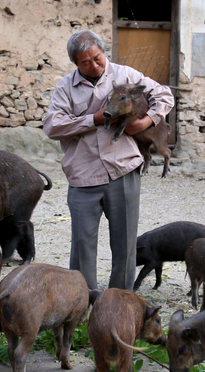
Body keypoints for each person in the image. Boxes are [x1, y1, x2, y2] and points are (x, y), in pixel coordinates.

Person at [42, 30, 174, 290]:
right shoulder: (65, 87)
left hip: (123, 170)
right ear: (75, 64)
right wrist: (94, 119)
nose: (93, 65)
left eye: (97, 57)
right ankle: (81, 302)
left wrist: (147, 121)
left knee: (125, 244)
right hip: (83, 174)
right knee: (82, 244)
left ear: (104, 53)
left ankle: (120, 300)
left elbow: (165, 95)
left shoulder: (125, 75)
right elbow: (52, 126)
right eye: (85, 62)